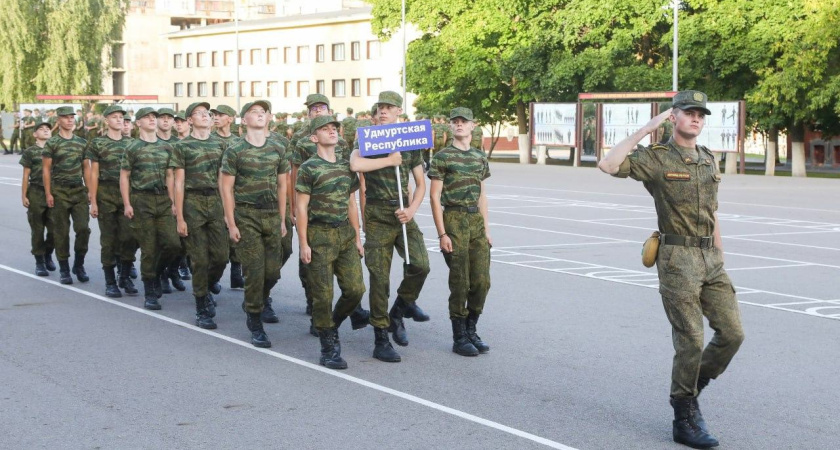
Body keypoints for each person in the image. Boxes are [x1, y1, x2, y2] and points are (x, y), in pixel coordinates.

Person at [597, 90, 745, 449]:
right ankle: (683, 415)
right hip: (677, 260)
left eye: (700, 114)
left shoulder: (708, 159)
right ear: (673, 117)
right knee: (691, 339)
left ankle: (692, 389)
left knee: (732, 334)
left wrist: (720, 253)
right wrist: (646, 129)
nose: (696, 118)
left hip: (710, 259)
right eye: (689, 112)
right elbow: (608, 164)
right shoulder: (657, 158)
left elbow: (713, 212)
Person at [349, 91, 431, 363]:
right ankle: (381, 337)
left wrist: (411, 209)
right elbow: (355, 163)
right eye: (379, 108)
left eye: (389, 107)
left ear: (398, 112)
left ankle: (399, 310)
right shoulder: (367, 138)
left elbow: (421, 184)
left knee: (420, 265)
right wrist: (388, 161)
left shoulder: (409, 142)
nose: (383, 112)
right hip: (377, 213)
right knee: (379, 279)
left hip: (403, 211)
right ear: (374, 114)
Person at [291, 94, 369, 334]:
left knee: (356, 290)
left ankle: (331, 323)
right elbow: (301, 206)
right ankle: (328, 344)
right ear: (314, 137)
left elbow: (351, 203)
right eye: (325, 129)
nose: (332, 131)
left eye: (334, 127)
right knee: (323, 294)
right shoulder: (309, 167)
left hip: (344, 232)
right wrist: (304, 242)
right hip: (320, 233)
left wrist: (357, 237)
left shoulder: (346, 165)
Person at [219, 100, 289, 348]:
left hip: (271, 214)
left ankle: (257, 297)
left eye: (263, 112)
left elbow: (282, 185)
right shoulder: (235, 149)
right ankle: (255, 319)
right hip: (246, 216)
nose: (259, 115)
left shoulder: (278, 148)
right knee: (255, 270)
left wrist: (282, 219)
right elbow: (226, 188)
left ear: (269, 118)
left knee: (273, 271)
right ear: (243, 120)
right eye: (253, 112)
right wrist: (231, 222)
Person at [428, 107, 492, 357]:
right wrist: (442, 234)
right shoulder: (443, 157)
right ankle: (459, 336)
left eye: (463, 121)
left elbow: (483, 194)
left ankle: (471, 327)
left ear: (473, 125)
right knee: (460, 281)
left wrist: (486, 228)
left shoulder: (479, 157)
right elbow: (434, 197)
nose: (459, 125)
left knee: (482, 281)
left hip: (475, 220)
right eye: (454, 122)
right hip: (453, 218)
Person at [170, 102, 230, 329]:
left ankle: (207, 285)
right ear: (190, 120)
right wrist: (180, 217)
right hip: (192, 202)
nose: (205, 116)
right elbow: (179, 182)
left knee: (221, 256)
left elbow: (223, 181)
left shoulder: (220, 144)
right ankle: (201, 305)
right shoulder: (183, 146)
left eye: (208, 113)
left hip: (215, 201)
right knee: (200, 258)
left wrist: (227, 211)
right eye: (199, 113)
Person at [120, 107, 181, 310]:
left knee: (173, 244)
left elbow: (170, 175)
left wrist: (172, 202)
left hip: (163, 199)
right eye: (147, 117)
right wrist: (127, 203)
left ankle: (157, 272)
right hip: (141, 199)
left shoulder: (166, 147)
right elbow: (124, 176)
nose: (152, 120)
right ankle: (149, 290)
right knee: (149, 247)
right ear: (138, 123)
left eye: (154, 117)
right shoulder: (133, 147)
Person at [84, 105, 139, 298]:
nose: (119, 120)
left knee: (129, 237)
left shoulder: (131, 143)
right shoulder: (98, 143)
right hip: (106, 194)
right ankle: (110, 281)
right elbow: (94, 173)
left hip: (127, 195)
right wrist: (94, 201)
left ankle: (124, 275)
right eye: (114, 117)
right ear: (106, 120)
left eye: (121, 117)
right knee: (109, 240)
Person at [42, 106, 91, 285]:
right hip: (59, 191)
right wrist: (48, 192)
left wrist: (90, 191)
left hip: (78, 190)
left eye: (72, 117)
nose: (70, 120)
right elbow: (46, 170)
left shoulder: (81, 142)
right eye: (66, 117)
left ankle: (79, 264)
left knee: (83, 229)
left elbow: (87, 168)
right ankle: (64, 268)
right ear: (59, 120)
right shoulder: (52, 143)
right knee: (61, 232)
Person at [210, 104, 244, 290]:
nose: (216, 118)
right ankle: (212, 276)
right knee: (218, 239)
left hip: (234, 194)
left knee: (236, 232)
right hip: (213, 194)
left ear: (230, 119)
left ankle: (236, 273)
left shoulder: (239, 142)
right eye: (214, 115)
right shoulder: (209, 140)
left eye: (221, 115)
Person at [155, 107, 185, 293]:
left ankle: (173, 270)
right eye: (162, 118)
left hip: (179, 195)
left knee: (182, 241)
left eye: (169, 118)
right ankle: (160, 274)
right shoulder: (149, 141)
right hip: (156, 196)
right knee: (164, 241)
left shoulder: (180, 144)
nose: (166, 121)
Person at [20, 121, 56, 275]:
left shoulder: (56, 150)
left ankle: (48, 253)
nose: (45, 131)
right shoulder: (30, 151)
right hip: (36, 191)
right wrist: (24, 195)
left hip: (54, 192)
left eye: (48, 129)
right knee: (38, 229)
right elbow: (26, 175)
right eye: (41, 129)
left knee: (56, 229)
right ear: (35, 134)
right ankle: (39, 261)